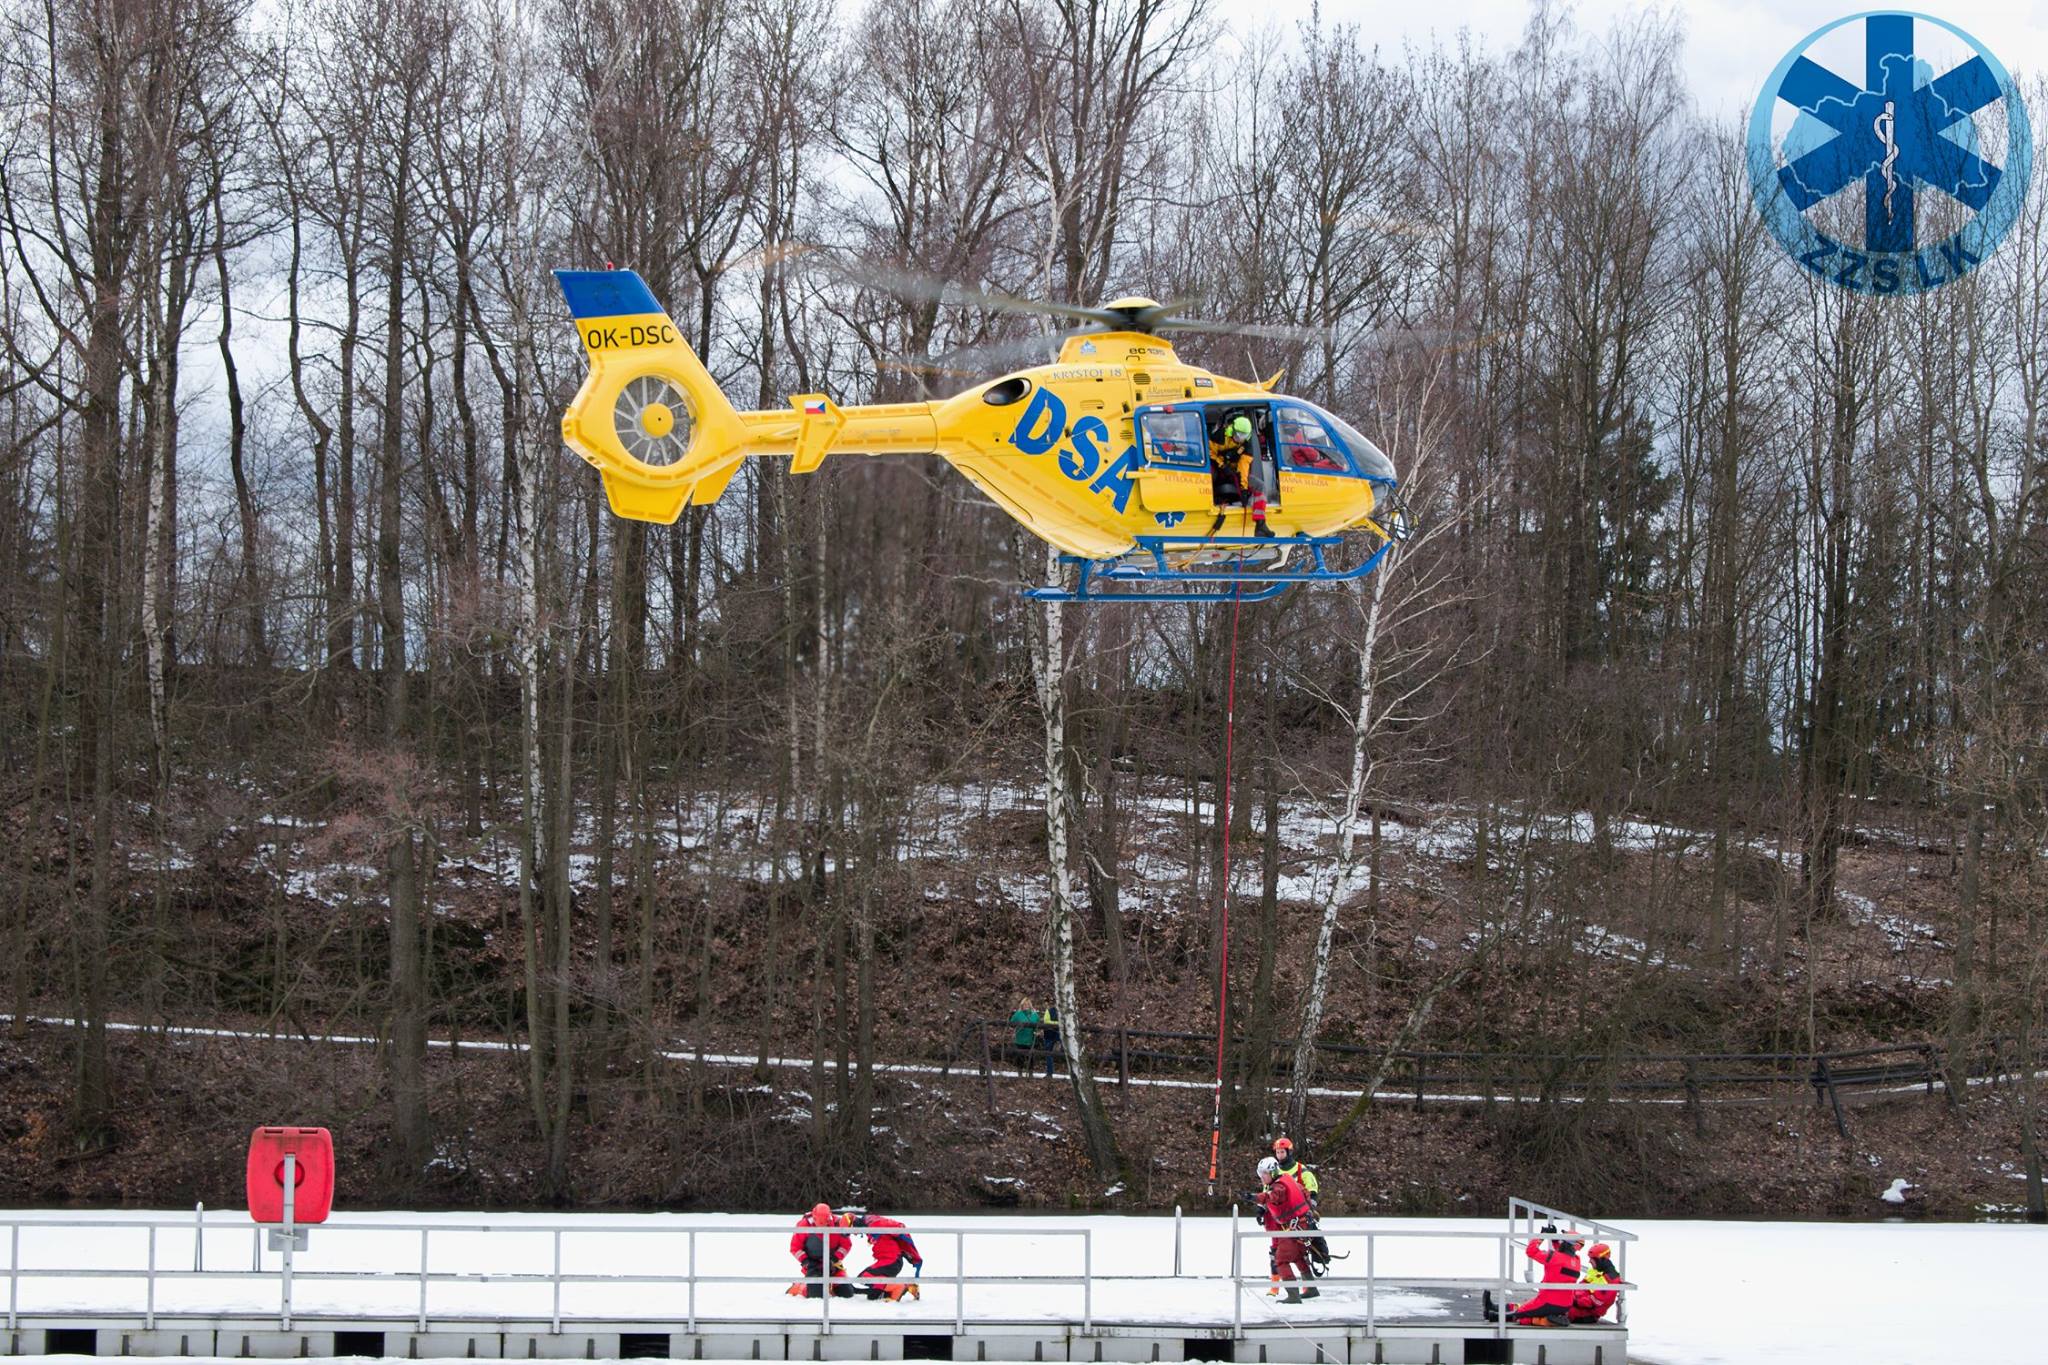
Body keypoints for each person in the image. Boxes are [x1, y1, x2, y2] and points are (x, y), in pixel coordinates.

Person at [1482, 1227, 1581, 1326]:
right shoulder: (1576, 1261)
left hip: (1548, 1302)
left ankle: (1493, 1316)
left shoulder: (1553, 1257)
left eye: (1562, 1240)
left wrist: (1541, 1236)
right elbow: (1562, 1257)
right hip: (1565, 1305)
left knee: (1522, 1312)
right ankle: (1493, 1308)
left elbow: (1531, 1251)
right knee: (1525, 1307)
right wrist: (1554, 1240)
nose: (1560, 1242)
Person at [1253, 1156, 1318, 1303]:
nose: (1262, 1177)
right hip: (1302, 1225)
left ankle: (1293, 1295)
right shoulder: (1287, 1179)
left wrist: (1253, 1198)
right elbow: (1304, 1192)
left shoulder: (1278, 1187)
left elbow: (1271, 1197)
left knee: (1281, 1260)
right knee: (1297, 1257)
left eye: (1264, 1174)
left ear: (1273, 1172)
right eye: (1260, 1174)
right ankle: (1311, 1288)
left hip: (1295, 1228)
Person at [1271, 1137, 1330, 1275]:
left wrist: (1310, 1209)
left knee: (1310, 1239)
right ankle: (1276, 1282)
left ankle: (1321, 1256)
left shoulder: (1300, 1169)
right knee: (1276, 1249)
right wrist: (1262, 1210)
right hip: (1282, 1217)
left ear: (1289, 1152)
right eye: (1277, 1152)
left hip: (1300, 1215)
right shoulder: (1274, 1171)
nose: (1279, 1155)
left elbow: (1312, 1189)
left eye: (1282, 1152)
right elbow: (1268, 1191)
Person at [850, 1212, 923, 1301]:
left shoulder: (874, 1225)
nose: (855, 1234)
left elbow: (896, 1227)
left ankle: (900, 1286)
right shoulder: (869, 1226)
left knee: (864, 1277)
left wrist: (914, 1257)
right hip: (890, 1261)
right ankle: (908, 1286)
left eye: (853, 1231)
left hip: (891, 1261)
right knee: (873, 1296)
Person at [788, 1203, 854, 1298]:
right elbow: (795, 1247)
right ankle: (799, 1286)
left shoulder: (838, 1224)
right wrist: (805, 1261)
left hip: (833, 1265)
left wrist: (835, 1258)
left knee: (847, 1293)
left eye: (825, 1223)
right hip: (813, 1266)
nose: (822, 1227)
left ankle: (831, 1286)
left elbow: (846, 1245)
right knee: (816, 1295)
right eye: (819, 1223)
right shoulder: (804, 1225)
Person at [1568, 1242, 1622, 1323]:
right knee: (1552, 1300)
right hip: (1576, 1304)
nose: (1589, 1261)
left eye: (1592, 1259)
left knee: (1557, 1310)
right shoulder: (1595, 1271)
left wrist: (1573, 1300)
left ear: (1600, 1259)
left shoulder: (1611, 1281)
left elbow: (1594, 1302)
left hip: (1586, 1313)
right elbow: (1581, 1287)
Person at [1008, 997, 1040, 1076]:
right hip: (1020, 1039)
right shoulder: (1018, 1014)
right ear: (1022, 1005)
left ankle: (1030, 1074)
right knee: (1020, 1057)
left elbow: (1038, 1026)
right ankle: (1020, 1074)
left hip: (1030, 1039)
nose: (1026, 1006)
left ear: (1030, 1005)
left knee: (1031, 1057)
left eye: (1027, 1004)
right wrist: (1016, 1027)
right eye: (1024, 1004)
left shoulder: (1034, 1015)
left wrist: (1037, 1032)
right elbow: (1011, 1024)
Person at [1036, 1003, 1061, 1078]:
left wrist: (1055, 1023)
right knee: (1048, 1054)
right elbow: (1046, 1021)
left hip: (1060, 1036)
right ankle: (1049, 1073)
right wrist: (1058, 1023)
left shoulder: (1064, 1011)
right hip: (1049, 1035)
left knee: (1066, 1054)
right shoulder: (1049, 1011)